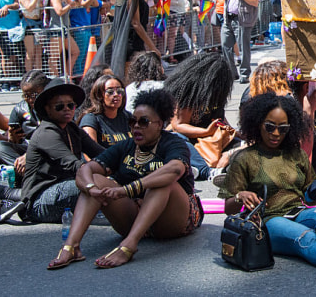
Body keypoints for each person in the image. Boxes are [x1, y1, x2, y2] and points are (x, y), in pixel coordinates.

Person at [220, 93, 316, 275]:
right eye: (270, 127)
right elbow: (228, 207)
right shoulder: (244, 158)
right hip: (269, 220)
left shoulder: (296, 154)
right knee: (305, 237)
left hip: (298, 211)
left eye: (283, 128)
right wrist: (240, 196)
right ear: (257, 123)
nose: (276, 134)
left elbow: (308, 197)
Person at [47, 89, 203, 269]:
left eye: (143, 122)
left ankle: (129, 245)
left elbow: (175, 170)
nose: (136, 127)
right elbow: (85, 170)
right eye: (132, 122)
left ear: (160, 124)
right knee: (95, 178)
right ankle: (71, 246)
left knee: (160, 182)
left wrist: (125, 190)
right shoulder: (126, 146)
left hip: (172, 219)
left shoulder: (173, 143)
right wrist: (91, 189)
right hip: (133, 214)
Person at [21, 79, 104, 223]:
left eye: (70, 105)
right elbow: (74, 165)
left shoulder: (73, 130)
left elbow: (103, 155)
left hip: (69, 187)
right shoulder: (46, 133)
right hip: (39, 202)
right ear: (47, 109)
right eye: (59, 106)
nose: (67, 109)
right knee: (99, 182)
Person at [165, 53, 233, 175]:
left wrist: (234, 131)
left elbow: (220, 119)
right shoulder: (189, 95)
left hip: (211, 140)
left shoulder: (216, 95)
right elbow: (178, 126)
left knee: (242, 144)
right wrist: (206, 132)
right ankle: (207, 172)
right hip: (190, 138)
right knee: (178, 140)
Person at [95, 0, 161, 79]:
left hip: (127, 40)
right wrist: (152, 47)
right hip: (131, 43)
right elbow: (135, 23)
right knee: (129, 79)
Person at [219, 0, 261, 83]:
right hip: (228, 18)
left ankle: (244, 73)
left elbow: (255, 2)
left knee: (243, 47)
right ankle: (231, 73)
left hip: (242, 20)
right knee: (225, 45)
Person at [79, 75, 131, 148]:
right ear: (99, 95)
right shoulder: (90, 119)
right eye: (110, 91)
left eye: (119, 91)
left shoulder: (128, 117)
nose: (116, 94)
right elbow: (89, 153)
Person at [44, 0, 80, 77]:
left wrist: (75, 1)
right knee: (54, 57)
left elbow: (74, 5)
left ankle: (67, 75)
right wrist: (70, 5)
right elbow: (59, 11)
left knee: (75, 51)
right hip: (57, 30)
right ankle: (56, 78)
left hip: (64, 29)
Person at [18, 0, 45, 71]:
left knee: (39, 52)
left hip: (38, 22)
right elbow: (29, 8)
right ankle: (29, 74)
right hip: (29, 23)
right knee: (30, 52)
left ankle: (39, 73)